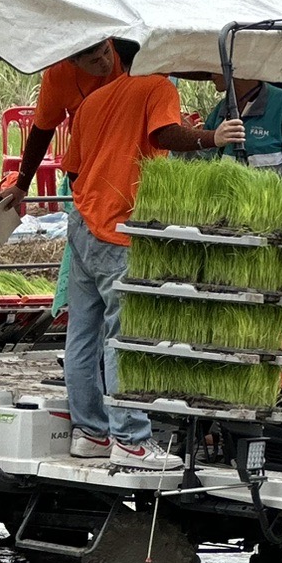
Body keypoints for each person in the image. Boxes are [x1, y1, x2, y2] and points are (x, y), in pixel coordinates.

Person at [63, 45, 242, 467]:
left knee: (82, 335)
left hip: (83, 223)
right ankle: (130, 440)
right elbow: (164, 135)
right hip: (120, 230)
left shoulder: (94, 100)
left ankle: (90, 432)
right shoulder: (157, 86)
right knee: (125, 337)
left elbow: (73, 168)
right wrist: (211, 138)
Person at [0, 38, 122, 315]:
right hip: (87, 171)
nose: (105, 63)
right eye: (94, 61)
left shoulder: (127, 50)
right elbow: (42, 130)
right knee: (90, 274)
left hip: (125, 169)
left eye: (106, 52)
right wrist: (22, 185)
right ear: (72, 61)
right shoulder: (58, 75)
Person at [196, 73, 282, 236]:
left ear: (237, 69)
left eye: (217, 67)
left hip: (271, 229)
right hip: (224, 228)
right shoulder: (220, 112)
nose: (211, 74)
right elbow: (203, 169)